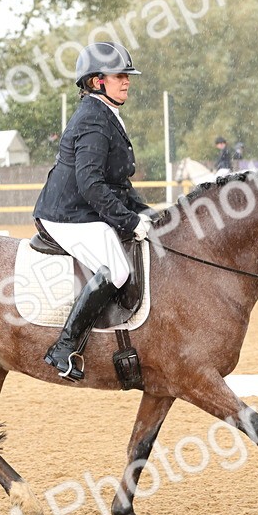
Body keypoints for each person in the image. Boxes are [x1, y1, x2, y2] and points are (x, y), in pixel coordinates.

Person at [32, 41, 155, 381]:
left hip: (84, 209)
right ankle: (64, 347)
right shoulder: (93, 119)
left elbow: (117, 182)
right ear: (96, 81)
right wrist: (129, 221)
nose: (126, 81)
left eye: (127, 76)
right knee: (116, 270)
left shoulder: (106, 114)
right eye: (119, 76)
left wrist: (145, 211)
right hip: (67, 214)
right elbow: (91, 184)